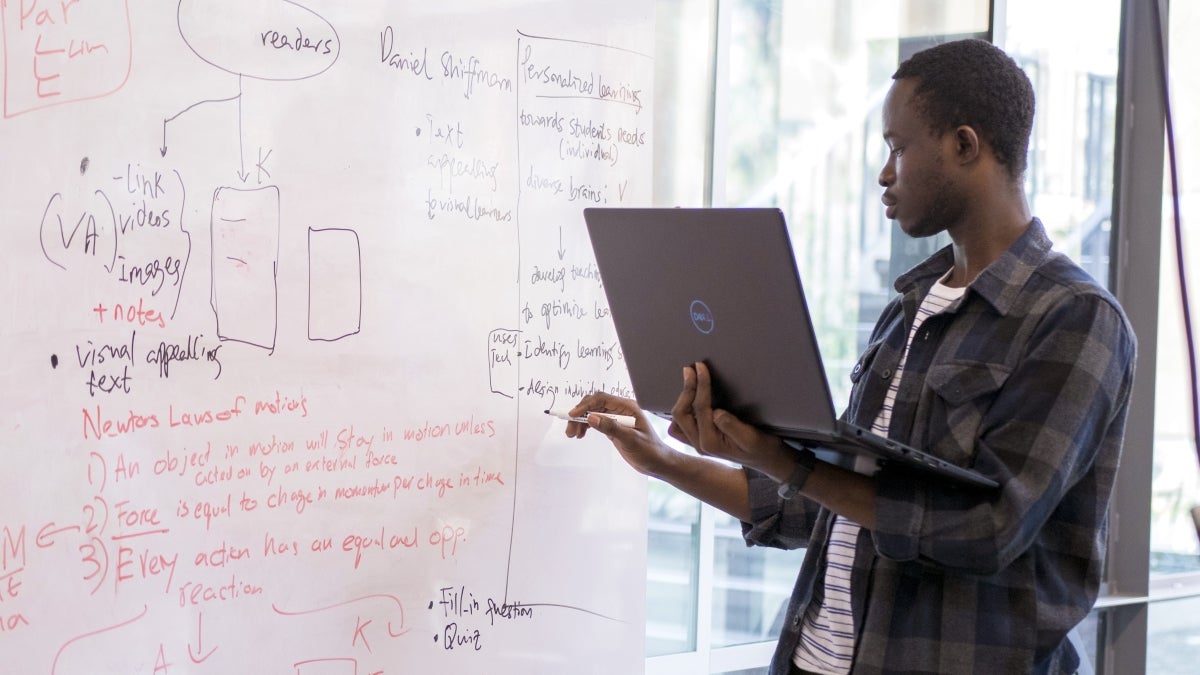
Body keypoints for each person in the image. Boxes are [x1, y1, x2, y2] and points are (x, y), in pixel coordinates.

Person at [564, 38, 1136, 675]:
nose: (885, 172)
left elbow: (989, 530)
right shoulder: (908, 308)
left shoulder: (1076, 319)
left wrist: (782, 459)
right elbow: (827, 504)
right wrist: (668, 461)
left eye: (898, 146)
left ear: (965, 146)